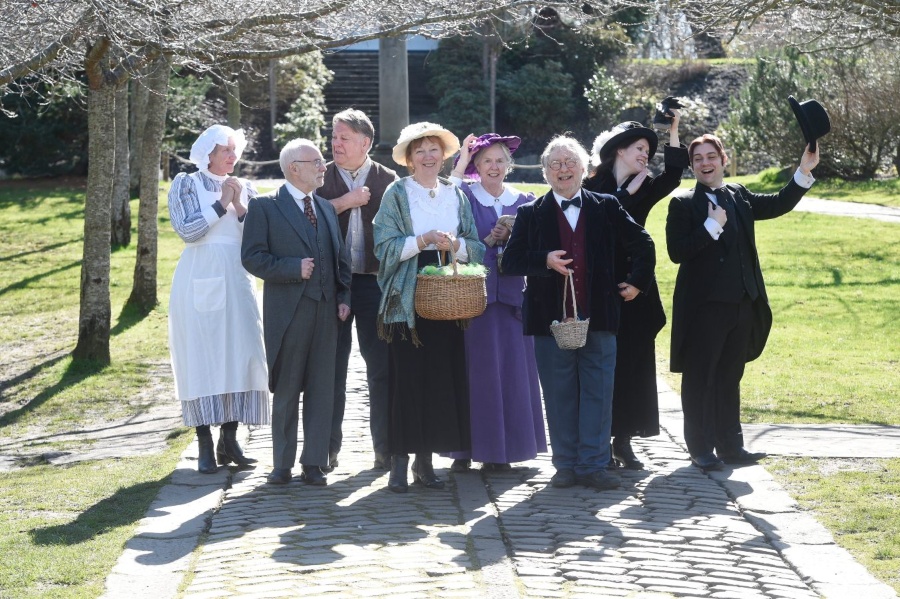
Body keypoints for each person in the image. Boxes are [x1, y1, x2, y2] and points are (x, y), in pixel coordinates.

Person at [501, 135, 655, 491]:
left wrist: (635, 283)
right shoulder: (530, 214)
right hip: (549, 321)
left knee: (599, 394)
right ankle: (566, 465)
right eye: (555, 164)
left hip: (599, 316)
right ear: (545, 172)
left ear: (584, 169)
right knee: (559, 394)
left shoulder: (606, 206)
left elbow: (642, 243)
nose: (563, 169)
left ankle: (594, 465)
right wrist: (543, 260)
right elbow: (510, 261)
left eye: (570, 162)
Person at [666, 134, 819, 471]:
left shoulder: (738, 195)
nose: (705, 163)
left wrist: (802, 171)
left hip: (743, 304)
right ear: (692, 166)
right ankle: (701, 448)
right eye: (698, 159)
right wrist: (710, 226)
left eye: (711, 156)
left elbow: (778, 203)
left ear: (723, 159)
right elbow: (677, 252)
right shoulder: (683, 203)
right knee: (700, 378)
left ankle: (731, 447)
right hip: (705, 308)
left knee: (729, 376)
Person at [372, 122, 485, 493]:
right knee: (407, 381)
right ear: (408, 159)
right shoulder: (396, 194)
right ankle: (399, 465)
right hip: (407, 298)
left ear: (444, 156)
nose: (427, 156)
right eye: (419, 151)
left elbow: (475, 245)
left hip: (448, 296)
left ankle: (426, 463)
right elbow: (383, 248)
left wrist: (456, 246)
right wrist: (421, 240)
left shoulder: (456, 193)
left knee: (440, 378)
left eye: (433, 149)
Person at [241, 138, 352, 486]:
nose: (324, 167)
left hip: (327, 314)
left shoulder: (325, 209)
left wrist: (344, 295)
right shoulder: (264, 207)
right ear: (294, 168)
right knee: (288, 388)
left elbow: (340, 261)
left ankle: (314, 463)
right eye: (317, 162)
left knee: (323, 388)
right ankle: (282, 464)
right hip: (288, 312)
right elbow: (252, 257)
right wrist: (292, 268)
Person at [583, 117, 689, 470]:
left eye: (648, 150)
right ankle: (597, 441)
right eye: (640, 149)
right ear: (619, 151)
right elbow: (591, 218)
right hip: (598, 286)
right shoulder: (591, 184)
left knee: (634, 363)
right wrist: (623, 194)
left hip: (634, 284)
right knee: (599, 365)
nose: (646, 155)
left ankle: (623, 441)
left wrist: (672, 130)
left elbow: (673, 176)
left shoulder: (645, 186)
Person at [167, 124, 270, 475]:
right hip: (199, 277)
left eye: (234, 149)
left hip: (237, 277)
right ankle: (204, 444)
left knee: (242, 353)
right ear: (207, 152)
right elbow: (188, 231)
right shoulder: (186, 183)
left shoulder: (247, 187)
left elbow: (257, 237)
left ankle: (230, 437)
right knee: (203, 356)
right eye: (225, 149)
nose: (232, 155)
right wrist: (220, 203)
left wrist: (240, 205)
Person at [444, 133, 546, 472]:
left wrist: (515, 238)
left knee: (513, 375)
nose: (494, 166)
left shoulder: (525, 200)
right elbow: (449, 230)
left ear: (509, 165)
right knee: (477, 374)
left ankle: (504, 451)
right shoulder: (465, 198)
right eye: (486, 160)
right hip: (475, 301)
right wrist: (489, 239)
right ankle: (464, 449)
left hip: (514, 302)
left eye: (500, 160)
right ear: (477, 166)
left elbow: (537, 249)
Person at [318, 109, 399, 472]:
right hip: (331, 285)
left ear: (365, 143)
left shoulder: (389, 181)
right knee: (329, 369)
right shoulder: (318, 175)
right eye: (334, 137)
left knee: (381, 368)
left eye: (344, 138)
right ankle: (326, 450)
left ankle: (385, 448)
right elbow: (304, 217)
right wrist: (344, 203)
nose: (335, 144)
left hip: (375, 284)